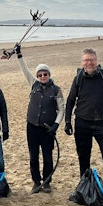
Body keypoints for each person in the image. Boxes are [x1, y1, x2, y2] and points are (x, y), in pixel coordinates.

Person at [64, 48, 103, 203]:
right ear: (82, 62)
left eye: (91, 59)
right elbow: (71, 100)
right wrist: (67, 121)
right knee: (83, 158)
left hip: (102, 123)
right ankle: (83, 188)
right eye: (86, 60)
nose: (89, 62)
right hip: (82, 123)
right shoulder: (78, 78)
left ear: (96, 61)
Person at [13, 44, 64, 194]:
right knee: (33, 156)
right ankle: (36, 182)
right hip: (32, 127)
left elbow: (61, 109)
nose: (42, 77)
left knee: (48, 157)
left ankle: (47, 182)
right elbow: (24, 69)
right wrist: (19, 54)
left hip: (48, 129)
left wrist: (55, 125)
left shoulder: (56, 90)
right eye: (40, 74)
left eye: (45, 74)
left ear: (49, 75)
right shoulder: (33, 84)